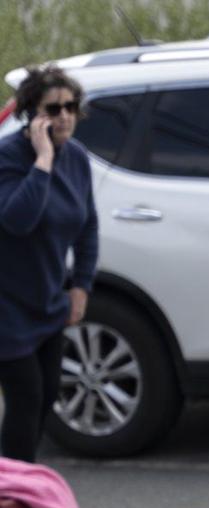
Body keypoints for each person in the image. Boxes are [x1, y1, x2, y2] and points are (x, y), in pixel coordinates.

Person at [0, 65, 97, 463]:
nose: (65, 116)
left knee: (46, 398)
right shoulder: (10, 159)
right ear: (31, 113)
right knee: (26, 402)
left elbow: (87, 225)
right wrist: (42, 161)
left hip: (48, 301)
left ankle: (20, 490)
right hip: (7, 307)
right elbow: (18, 220)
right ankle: (16, 503)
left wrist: (81, 285)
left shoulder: (76, 159)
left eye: (71, 107)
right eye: (53, 109)